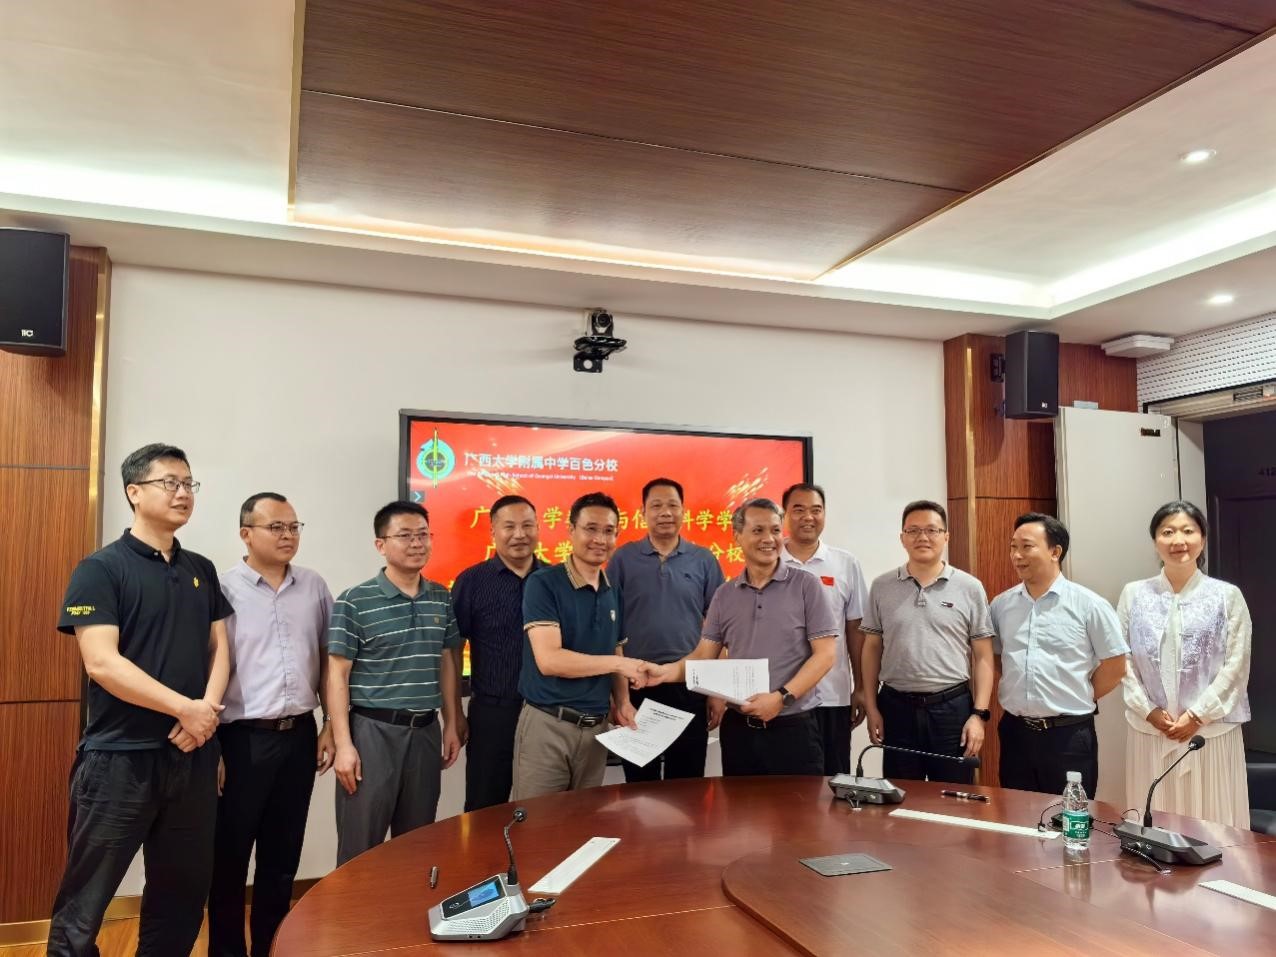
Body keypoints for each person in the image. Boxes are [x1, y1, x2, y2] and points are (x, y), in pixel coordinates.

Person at [47, 443, 231, 956]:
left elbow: (220, 649)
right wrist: (185, 709)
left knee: (181, 899)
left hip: (192, 757)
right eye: (169, 482)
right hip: (119, 761)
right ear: (133, 492)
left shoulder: (201, 568)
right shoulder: (100, 569)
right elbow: (102, 664)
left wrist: (204, 716)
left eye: (189, 483)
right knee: (84, 905)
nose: (183, 493)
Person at [209, 492, 334, 957]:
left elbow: (329, 658)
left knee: (282, 858)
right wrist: (212, 748)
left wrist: (329, 724)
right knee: (228, 859)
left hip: (299, 735)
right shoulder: (221, 588)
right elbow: (205, 668)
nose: (288, 535)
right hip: (240, 740)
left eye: (294, 526)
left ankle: (271, 947)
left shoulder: (313, 586)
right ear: (246, 534)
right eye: (276, 527)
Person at [644, 498, 838, 776]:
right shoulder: (725, 595)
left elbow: (826, 655)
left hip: (794, 728)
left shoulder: (806, 585)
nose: (769, 539)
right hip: (739, 732)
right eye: (758, 530)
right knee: (739, 805)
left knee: (799, 806)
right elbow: (703, 656)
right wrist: (663, 672)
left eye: (775, 530)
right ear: (738, 537)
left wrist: (780, 698)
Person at [326, 501, 464, 865]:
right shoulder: (354, 601)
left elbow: (447, 661)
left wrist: (451, 722)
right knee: (361, 846)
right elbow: (337, 675)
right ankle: (354, 906)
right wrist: (344, 745)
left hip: (425, 732)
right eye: (405, 535)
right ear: (381, 544)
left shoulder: (441, 597)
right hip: (372, 732)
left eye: (423, 535)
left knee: (418, 843)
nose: (417, 543)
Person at [1119, 500, 1252, 828]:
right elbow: (1122, 661)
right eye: (1167, 532)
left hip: (1210, 732)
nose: (1178, 540)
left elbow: (1237, 663)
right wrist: (1148, 711)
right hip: (1151, 730)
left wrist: (1197, 716)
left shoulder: (1227, 595)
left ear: (1202, 539)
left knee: (1214, 824)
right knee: (1153, 823)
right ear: (1155, 540)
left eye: (1188, 531)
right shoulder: (1134, 594)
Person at [514, 492, 648, 799]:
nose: (600, 539)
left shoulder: (613, 591)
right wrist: (619, 665)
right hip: (549, 724)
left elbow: (615, 648)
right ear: (571, 530)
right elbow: (550, 661)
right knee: (538, 822)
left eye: (609, 531)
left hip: (596, 730)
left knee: (583, 820)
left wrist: (623, 701)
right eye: (591, 529)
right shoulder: (543, 583)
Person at [989, 513, 1127, 797]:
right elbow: (1000, 659)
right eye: (1013, 547)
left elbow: (1115, 666)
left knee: (1070, 817)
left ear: (1055, 552)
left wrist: (1079, 692)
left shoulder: (1089, 605)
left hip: (1068, 736)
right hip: (1016, 732)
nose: (1017, 555)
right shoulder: (1001, 605)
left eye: (1026, 547)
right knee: (1016, 816)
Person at [861, 500, 994, 784]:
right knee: (900, 794)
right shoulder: (882, 586)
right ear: (902, 538)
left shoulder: (969, 587)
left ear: (946, 536)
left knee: (953, 797)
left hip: (952, 709)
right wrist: (872, 708)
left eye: (932, 530)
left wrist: (979, 715)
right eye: (914, 530)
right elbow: (871, 648)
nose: (923, 537)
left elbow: (983, 655)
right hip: (896, 708)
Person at [609, 478, 725, 781]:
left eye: (673, 505)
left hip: (689, 684)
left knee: (686, 783)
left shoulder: (703, 560)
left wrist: (717, 693)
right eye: (656, 506)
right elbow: (609, 628)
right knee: (640, 784)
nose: (665, 512)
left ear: (683, 511)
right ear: (643, 513)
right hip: (637, 684)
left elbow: (720, 630)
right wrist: (617, 696)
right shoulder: (622, 559)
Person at [452, 494, 546, 811]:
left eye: (527, 525)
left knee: (544, 810)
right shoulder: (471, 582)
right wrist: (454, 713)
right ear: (493, 531)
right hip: (492, 714)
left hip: (546, 714)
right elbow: (452, 652)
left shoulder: (555, 580)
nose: (519, 534)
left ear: (538, 528)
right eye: (509, 526)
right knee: (484, 808)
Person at [780, 482, 869, 775]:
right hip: (782, 697)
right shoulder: (771, 561)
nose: (808, 517)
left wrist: (861, 687)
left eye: (816, 510)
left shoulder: (845, 564)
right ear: (784, 515)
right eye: (799, 510)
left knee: (834, 780)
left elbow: (855, 629)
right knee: (787, 785)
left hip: (833, 695)